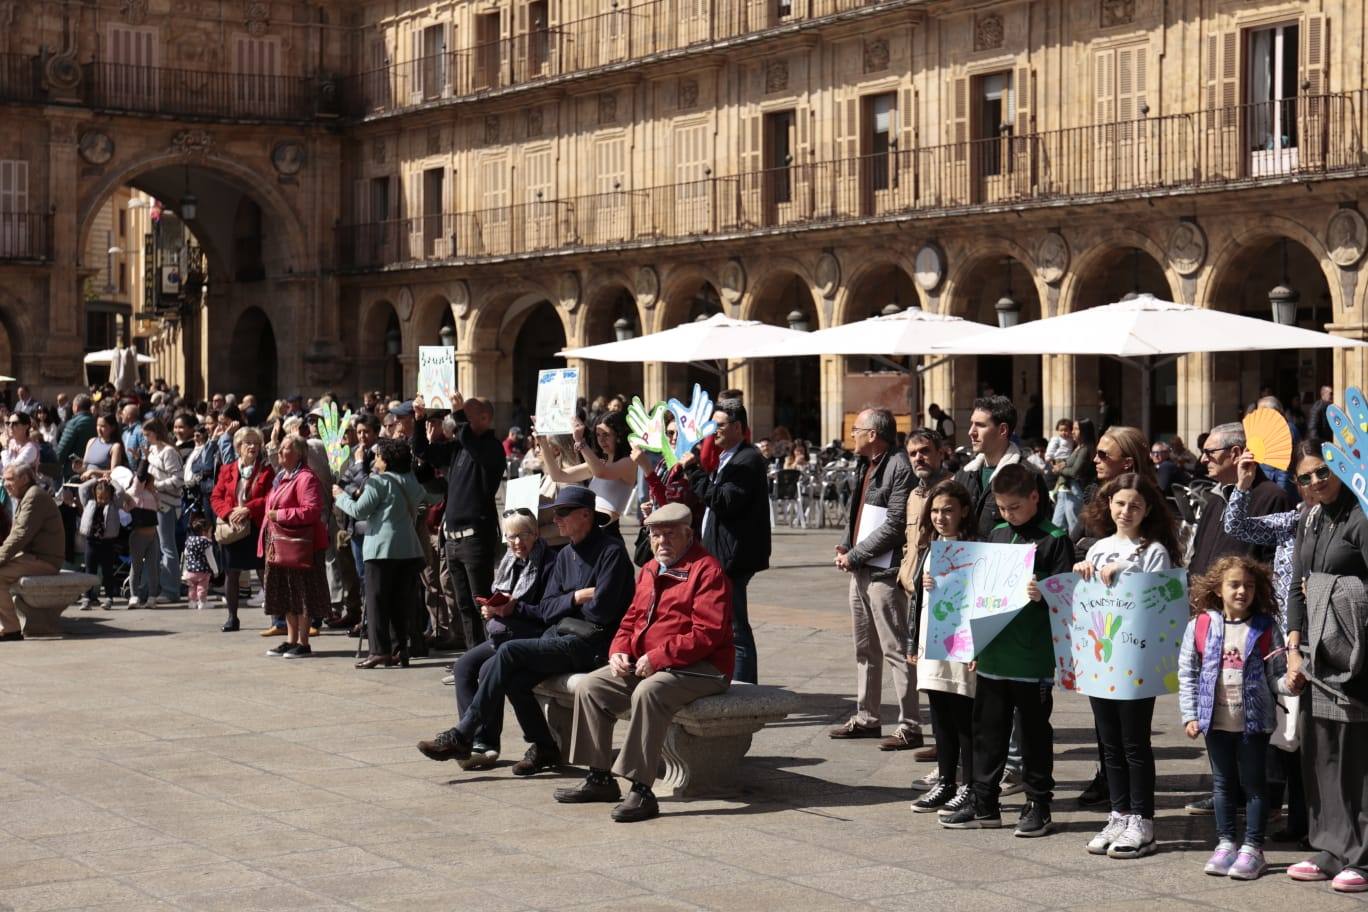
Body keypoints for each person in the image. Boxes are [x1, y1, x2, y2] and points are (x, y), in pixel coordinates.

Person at [415, 485, 635, 774]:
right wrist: (575, 598)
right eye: (555, 514)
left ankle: (464, 733)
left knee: (508, 652)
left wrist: (564, 603)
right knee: (514, 678)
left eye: (563, 513)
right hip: (560, 635)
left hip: (592, 643)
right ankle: (544, 746)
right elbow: (547, 608)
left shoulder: (611, 552)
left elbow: (602, 610)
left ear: (585, 515)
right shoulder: (567, 554)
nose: (556, 520)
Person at [554, 501, 733, 821]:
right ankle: (599, 778)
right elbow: (630, 619)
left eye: (669, 534)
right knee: (591, 686)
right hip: (650, 662)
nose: (661, 541)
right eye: (655, 535)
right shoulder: (651, 569)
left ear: (688, 534)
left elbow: (708, 634)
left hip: (703, 668)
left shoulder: (708, 570)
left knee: (649, 693)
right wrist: (619, 650)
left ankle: (642, 790)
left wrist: (659, 657)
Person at [940, 464, 1073, 836]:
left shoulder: (1054, 537)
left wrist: (1044, 589)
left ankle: (1037, 803)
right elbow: (976, 587)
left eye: (1014, 507)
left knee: (1033, 733)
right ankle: (984, 801)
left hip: (1032, 657)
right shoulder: (996, 534)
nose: (1007, 514)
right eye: (1001, 507)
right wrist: (944, 581)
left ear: (1034, 497)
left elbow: (1068, 596)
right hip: (994, 651)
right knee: (987, 731)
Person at [1074, 473, 1181, 860]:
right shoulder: (1097, 547)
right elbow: (1085, 599)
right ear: (1109, 505)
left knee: (1135, 742)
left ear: (1147, 510)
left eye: (1135, 505)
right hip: (1100, 658)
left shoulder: (1151, 551)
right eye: (1120, 503)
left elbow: (1157, 597)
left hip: (1136, 659)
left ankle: (1143, 819)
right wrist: (1081, 573)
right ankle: (1118, 813)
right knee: (1109, 744)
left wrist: (1123, 574)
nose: (1126, 511)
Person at [1283, 440, 1368, 891]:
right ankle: (1332, 846)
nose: (1317, 481)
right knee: (1323, 753)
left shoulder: (1361, 515)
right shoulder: (1310, 519)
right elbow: (1297, 588)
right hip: (1316, 653)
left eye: (1324, 471)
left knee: (1357, 756)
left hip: (1356, 657)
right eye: (1306, 476)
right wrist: (1294, 647)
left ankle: (1363, 854)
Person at [1179, 556, 1288, 881]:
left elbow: (1277, 676)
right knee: (1223, 785)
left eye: (1249, 586)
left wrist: (1291, 684)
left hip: (1253, 724)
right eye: (1235, 584)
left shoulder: (1266, 628)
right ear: (1218, 587)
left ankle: (1253, 848)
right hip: (1215, 723)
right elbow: (1188, 672)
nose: (1242, 591)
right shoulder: (1200, 625)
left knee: (1255, 785)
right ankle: (1226, 843)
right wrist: (1190, 715)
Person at [829, 408, 920, 750]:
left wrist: (854, 554)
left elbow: (895, 524)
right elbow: (859, 510)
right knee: (864, 648)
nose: (851, 434)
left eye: (856, 429)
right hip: (862, 568)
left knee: (895, 648)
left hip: (885, 571)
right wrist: (846, 543)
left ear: (873, 434)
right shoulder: (866, 463)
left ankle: (910, 725)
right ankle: (867, 717)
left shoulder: (898, 466)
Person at [449, 508, 555, 769]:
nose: (517, 543)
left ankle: (486, 743)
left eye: (523, 535)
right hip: (502, 634)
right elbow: (498, 597)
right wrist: (490, 609)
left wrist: (513, 608)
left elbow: (549, 611)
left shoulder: (549, 563)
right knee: (463, 666)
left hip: (529, 635)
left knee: (488, 669)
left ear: (536, 534)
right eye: (511, 537)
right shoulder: (509, 562)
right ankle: (473, 740)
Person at [682, 400, 771, 684]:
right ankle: (726, 678)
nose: (713, 431)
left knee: (735, 628)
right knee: (723, 624)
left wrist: (694, 471)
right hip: (722, 551)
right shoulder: (729, 456)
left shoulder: (747, 459)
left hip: (733, 556)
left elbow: (723, 501)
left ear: (736, 428)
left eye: (718, 425)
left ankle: (745, 689)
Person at [906, 480, 977, 815]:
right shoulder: (930, 548)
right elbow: (917, 602)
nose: (940, 517)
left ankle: (969, 785)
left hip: (963, 643)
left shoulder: (976, 549)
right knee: (939, 715)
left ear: (963, 511)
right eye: (935, 510)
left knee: (963, 716)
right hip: (932, 641)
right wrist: (912, 641)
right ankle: (946, 781)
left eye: (948, 510)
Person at [413, 395, 506, 651]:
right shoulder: (458, 449)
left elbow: (474, 446)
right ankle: (472, 655)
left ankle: (490, 654)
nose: (458, 419)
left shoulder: (491, 448)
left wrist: (458, 415)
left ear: (485, 419)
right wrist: (419, 421)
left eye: (466, 415)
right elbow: (423, 452)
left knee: (481, 603)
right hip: (453, 538)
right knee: (463, 603)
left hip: (475, 537)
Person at [333, 437, 426, 668]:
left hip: (381, 548)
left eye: (379, 456)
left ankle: (378, 651)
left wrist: (340, 496)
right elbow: (428, 499)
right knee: (399, 602)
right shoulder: (411, 480)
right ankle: (399, 650)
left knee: (376, 602)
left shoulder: (379, 482)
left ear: (387, 459)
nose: (375, 459)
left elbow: (359, 510)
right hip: (408, 548)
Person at [1189, 423, 1291, 578]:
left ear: (1235, 453)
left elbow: (1274, 565)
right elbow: (1197, 557)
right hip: (1203, 599)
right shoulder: (1214, 500)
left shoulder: (1273, 498)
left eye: (1209, 453)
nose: (1203, 459)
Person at [261, 434, 329, 659]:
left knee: (301, 594)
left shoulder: (306, 478)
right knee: (287, 594)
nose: (280, 453)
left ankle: (304, 642)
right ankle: (291, 640)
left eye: (285, 449)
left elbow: (311, 510)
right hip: (280, 544)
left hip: (301, 547)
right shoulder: (282, 476)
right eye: (279, 448)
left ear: (299, 453)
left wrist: (280, 514)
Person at [954, 395, 1048, 539]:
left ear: (1003, 430)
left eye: (980, 425)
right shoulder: (964, 475)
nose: (971, 432)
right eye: (972, 424)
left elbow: (1041, 535)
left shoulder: (1028, 476)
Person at [210, 428, 274, 633]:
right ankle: (232, 617)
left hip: (255, 525)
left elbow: (270, 497)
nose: (253, 446)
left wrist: (248, 509)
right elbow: (216, 497)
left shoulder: (266, 470)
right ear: (238, 447)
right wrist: (229, 514)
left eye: (256, 443)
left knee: (264, 571)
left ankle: (276, 617)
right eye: (248, 443)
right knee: (232, 572)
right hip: (233, 528)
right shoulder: (227, 469)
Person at [539, 409, 635, 541]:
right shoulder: (602, 461)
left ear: (619, 435)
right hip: (587, 530)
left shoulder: (629, 462)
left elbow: (601, 472)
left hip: (607, 534)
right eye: (598, 435)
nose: (601, 440)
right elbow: (558, 475)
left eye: (606, 435)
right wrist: (543, 443)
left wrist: (580, 441)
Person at [0, 464, 64, 640]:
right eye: (4, 479)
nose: (5, 484)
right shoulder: (28, 496)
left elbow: (20, 536)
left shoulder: (34, 497)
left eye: (10, 479)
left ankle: (11, 629)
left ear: (24, 479)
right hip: (33, 557)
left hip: (44, 561)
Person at [143, 418, 184, 604]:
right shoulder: (151, 450)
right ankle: (155, 587)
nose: (145, 438)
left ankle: (171, 590)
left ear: (157, 433)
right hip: (153, 503)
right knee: (156, 548)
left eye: (148, 434)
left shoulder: (169, 452)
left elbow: (178, 479)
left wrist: (157, 486)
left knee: (168, 547)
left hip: (167, 505)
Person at [78, 478, 120, 610]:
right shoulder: (89, 503)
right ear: (95, 495)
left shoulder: (114, 504)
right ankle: (87, 598)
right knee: (90, 571)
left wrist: (111, 481)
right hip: (91, 542)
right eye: (100, 497)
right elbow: (82, 489)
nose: (102, 500)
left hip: (107, 543)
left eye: (106, 498)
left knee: (108, 571)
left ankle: (108, 597)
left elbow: (121, 491)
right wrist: (96, 479)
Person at [1052, 419, 1096, 538]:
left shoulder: (1085, 449)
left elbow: (1075, 472)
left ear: (1084, 431)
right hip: (1066, 490)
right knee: (1057, 523)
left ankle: (1074, 552)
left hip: (1075, 490)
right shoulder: (1078, 447)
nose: (1073, 432)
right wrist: (1063, 463)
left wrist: (1059, 469)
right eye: (1073, 429)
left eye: (1076, 429)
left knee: (1073, 524)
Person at [180, 515, 219, 612]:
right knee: (202, 587)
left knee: (192, 587)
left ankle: (192, 602)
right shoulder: (206, 542)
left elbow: (185, 554)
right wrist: (215, 570)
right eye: (210, 532)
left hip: (190, 570)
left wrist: (184, 569)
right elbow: (210, 557)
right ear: (204, 532)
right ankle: (202, 602)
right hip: (203, 570)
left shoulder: (189, 541)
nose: (211, 534)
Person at [55, 394, 96, 479]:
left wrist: (55, 464)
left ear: (76, 407)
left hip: (74, 471)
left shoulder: (73, 423)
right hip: (93, 469)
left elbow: (62, 449)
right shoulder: (96, 422)